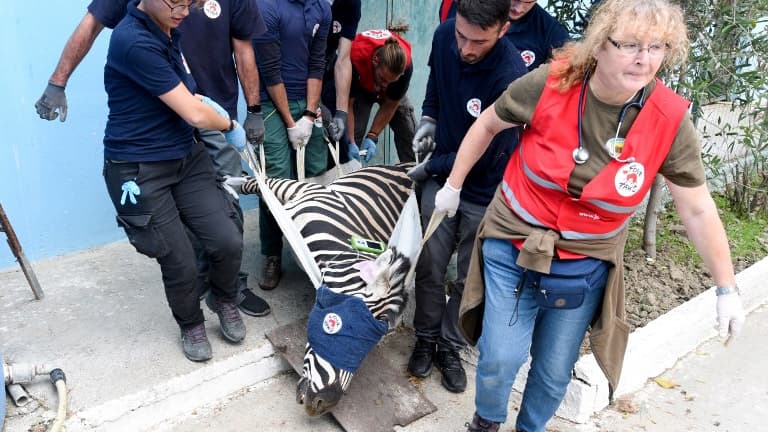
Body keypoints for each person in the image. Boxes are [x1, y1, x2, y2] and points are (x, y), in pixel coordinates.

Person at [430, 0, 747, 430]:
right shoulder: (551, 82)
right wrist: (452, 187)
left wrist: (727, 289)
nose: (644, 58)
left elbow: (697, 207)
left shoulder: (669, 119)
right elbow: (487, 124)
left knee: (552, 373)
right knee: (500, 357)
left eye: (657, 47)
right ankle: (485, 422)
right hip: (514, 241)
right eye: (630, 45)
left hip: (584, 261)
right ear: (599, 44)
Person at [33, 0, 272, 318]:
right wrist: (57, 81)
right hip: (167, 117)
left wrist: (253, 110)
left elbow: (243, 48)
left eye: (191, 5)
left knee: (225, 211)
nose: (184, 12)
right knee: (176, 228)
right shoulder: (137, 34)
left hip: (212, 110)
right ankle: (197, 283)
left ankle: (229, 288)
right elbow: (92, 24)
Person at [102, 0, 249, 362]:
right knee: (179, 259)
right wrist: (229, 123)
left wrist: (200, 102)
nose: (184, 11)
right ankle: (190, 323)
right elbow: (194, 114)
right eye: (177, 2)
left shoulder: (169, 31)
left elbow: (185, 95)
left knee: (227, 238)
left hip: (185, 157)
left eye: (190, 3)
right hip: (139, 168)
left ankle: (224, 299)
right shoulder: (132, 40)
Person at [405, 0, 527, 394]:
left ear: (503, 30)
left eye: (478, 42)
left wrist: (431, 167)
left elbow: (488, 150)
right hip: (441, 177)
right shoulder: (445, 35)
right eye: (461, 36)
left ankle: (450, 345)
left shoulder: (511, 74)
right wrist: (429, 117)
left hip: (484, 188)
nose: (465, 49)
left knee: (469, 275)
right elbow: (436, 82)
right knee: (430, 263)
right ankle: (425, 337)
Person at [252, 0, 331, 291]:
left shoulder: (322, 8)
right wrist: (289, 122)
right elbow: (270, 71)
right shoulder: (267, 7)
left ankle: (316, 250)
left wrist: (310, 114)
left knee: (317, 174)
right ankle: (272, 253)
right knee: (275, 181)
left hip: (307, 101)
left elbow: (317, 64)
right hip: (273, 101)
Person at [439, 0, 570, 71]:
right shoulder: (464, 5)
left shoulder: (552, 32)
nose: (518, 8)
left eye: (528, 2)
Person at [348, 29, 416, 164]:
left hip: (388, 87)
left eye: (391, 81)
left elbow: (391, 104)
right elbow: (347, 105)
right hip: (362, 86)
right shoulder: (354, 58)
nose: (385, 85)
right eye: (383, 79)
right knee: (352, 134)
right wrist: (350, 141)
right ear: (375, 60)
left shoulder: (405, 66)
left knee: (409, 131)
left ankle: (413, 170)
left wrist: (373, 135)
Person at [320, 0, 361, 147]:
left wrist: (341, 112)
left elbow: (343, 59)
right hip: (292, 68)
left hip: (326, 62)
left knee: (337, 137)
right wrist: (315, 104)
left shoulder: (351, 3)